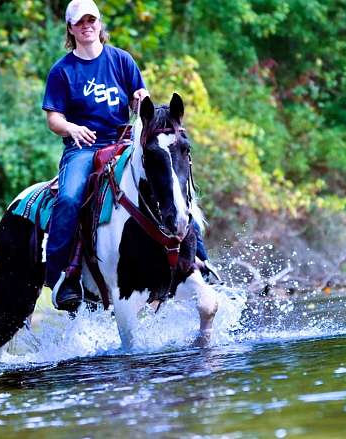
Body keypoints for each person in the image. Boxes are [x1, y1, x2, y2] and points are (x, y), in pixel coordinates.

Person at [42, 0, 216, 312]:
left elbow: (143, 103)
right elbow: (53, 118)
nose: (87, 26)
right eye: (79, 22)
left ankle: (199, 258)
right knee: (68, 198)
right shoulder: (62, 71)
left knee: (173, 182)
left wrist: (140, 99)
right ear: (70, 28)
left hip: (123, 141)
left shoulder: (121, 61)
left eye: (91, 20)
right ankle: (61, 276)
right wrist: (71, 128)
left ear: (99, 24)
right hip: (83, 149)